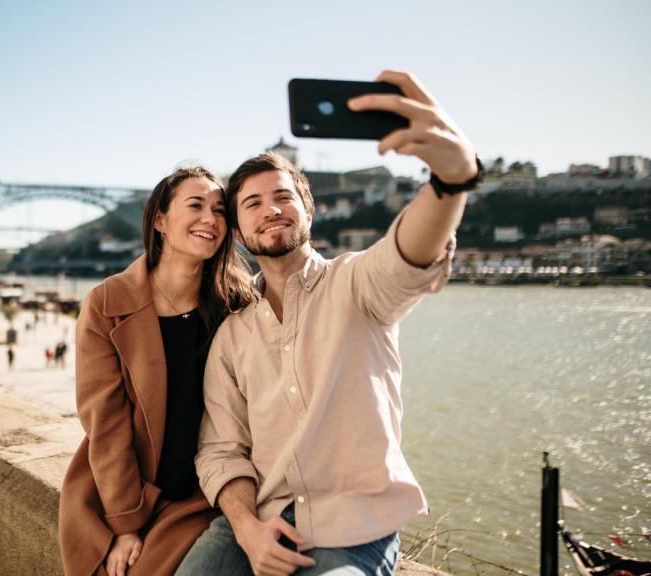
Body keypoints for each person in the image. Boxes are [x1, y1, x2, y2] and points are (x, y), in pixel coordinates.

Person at [177, 71, 481, 576]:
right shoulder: (232, 335)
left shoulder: (357, 285)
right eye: (251, 204)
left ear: (309, 213)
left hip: (354, 530)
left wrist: (451, 182)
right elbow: (221, 450)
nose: (270, 210)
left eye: (283, 197)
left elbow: (409, 253)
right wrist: (247, 528)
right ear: (237, 230)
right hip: (255, 519)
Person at [59, 167, 254, 576]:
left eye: (220, 210)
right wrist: (126, 524)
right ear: (161, 221)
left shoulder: (237, 302)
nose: (210, 219)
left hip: (204, 492)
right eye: (195, 205)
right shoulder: (107, 302)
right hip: (124, 492)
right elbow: (106, 424)